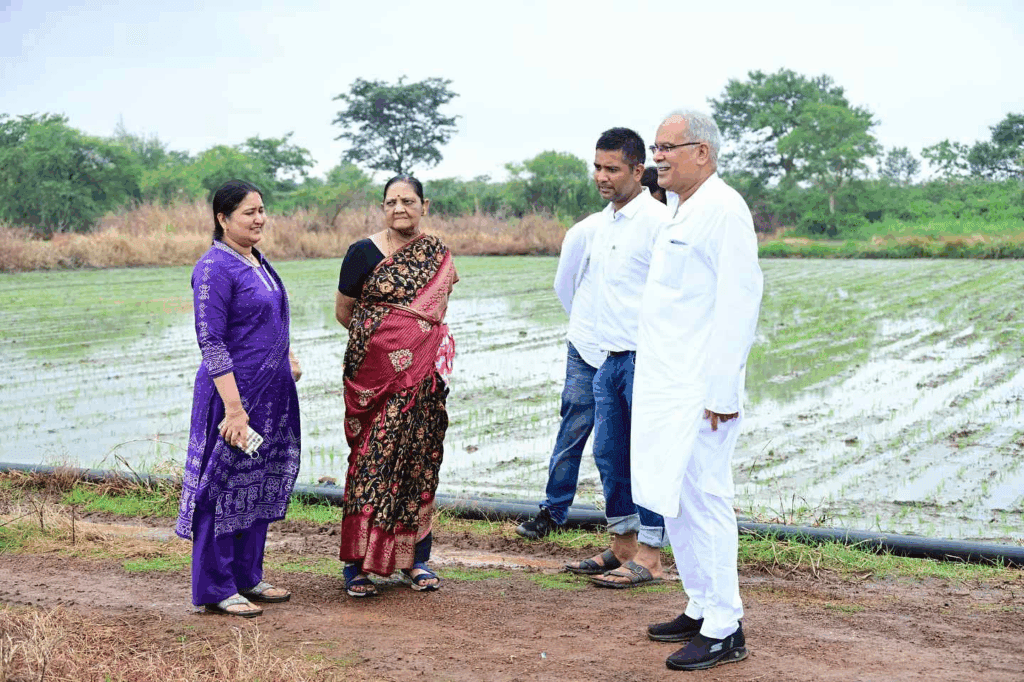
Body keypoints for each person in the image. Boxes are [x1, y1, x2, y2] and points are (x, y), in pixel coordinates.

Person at [632, 110, 763, 671]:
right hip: (667, 383)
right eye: (656, 146)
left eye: (668, 147)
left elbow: (740, 302)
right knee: (676, 498)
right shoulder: (681, 208)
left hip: (702, 391)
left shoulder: (724, 210)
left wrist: (722, 391)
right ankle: (701, 605)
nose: (657, 157)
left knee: (706, 499)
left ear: (702, 153)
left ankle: (725, 626)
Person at [175, 179, 302, 619]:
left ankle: (247, 576)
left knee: (257, 483)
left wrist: (288, 357)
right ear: (223, 218)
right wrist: (234, 409)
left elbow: (270, 320)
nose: (259, 218)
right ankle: (216, 586)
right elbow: (211, 342)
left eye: (261, 210)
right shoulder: (214, 268)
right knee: (222, 487)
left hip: (269, 397)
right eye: (249, 212)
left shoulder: (257, 261)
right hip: (234, 399)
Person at [335, 174, 457, 597]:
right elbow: (345, 312)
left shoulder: (437, 254)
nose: (399, 208)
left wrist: (413, 347)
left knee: (418, 462)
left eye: (408, 201)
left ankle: (415, 560)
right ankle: (357, 566)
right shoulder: (362, 253)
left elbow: (433, 315)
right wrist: (388, 345)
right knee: (370, 462)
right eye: (391, 202)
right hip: (373, 379)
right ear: (383, 207)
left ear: (425, 205)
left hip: (423, 379)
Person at [562, 127, 671, 588]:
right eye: (597, 167)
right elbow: (575, 290)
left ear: (638, 171)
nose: (601, 176)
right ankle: (623, 547)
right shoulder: (600, 225)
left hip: (647, 358)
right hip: (609, 357)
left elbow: (675, 296)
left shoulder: (660, 223)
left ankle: (651, 556)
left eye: (612, 168)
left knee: (645, 458)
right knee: (609, 454)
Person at [515, 186, 606, 540]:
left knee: (625, 442)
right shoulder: (587, 230)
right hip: (586, 348)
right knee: (572, 432)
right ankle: (553, 511)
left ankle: (636, 524)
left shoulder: (657, 226)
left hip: (633, 351)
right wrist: (587, 324)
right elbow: (563, 284)